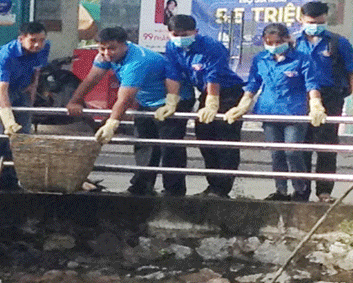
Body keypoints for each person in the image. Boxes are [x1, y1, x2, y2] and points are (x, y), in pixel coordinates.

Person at [66, 27, 191, 196]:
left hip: (173, 99)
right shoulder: (105, 56)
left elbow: (124, 98)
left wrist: (112, 122)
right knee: (144, 144)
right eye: (102, 48)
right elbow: (92, 78)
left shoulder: (137, 61)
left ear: (124, 45)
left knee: (169, 146)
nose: (106, 53)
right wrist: (75, 101)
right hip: (146, 100)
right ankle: (141, 187)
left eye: (111, 48)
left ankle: (174, 191)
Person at [226, 23, 326, 202]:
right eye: (269, 42)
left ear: (287, 39)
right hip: (269, 111)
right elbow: (253, 83)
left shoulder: (301, 59)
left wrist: (316, 104)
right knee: (276, 153)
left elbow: (311, 83)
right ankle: (281, 191)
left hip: (294, 112)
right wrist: (243, 104)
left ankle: (301, 189)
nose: (273, 45)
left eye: (278, 41)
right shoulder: (260, 59)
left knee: (292, 151)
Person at [157, 14, 246, 198]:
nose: (180, 38)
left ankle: (222, 189)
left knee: (224, 138)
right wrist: (172, 99)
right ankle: (212, 185)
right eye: (176, 34)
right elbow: (173, 73)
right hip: (205, 92)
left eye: (185, 34)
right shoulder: (172, 47)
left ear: (196, 32)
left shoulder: (212, 47)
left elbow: (214, 75)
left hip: (228, 92)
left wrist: (212, 103)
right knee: (203, 136)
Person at [295, 1, 353, 203]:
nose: (315, 25)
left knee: (326, 145)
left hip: (330, 97)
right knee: (301, 145)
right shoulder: (293, 42)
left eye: (320, 21)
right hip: (300, 97)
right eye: (310, 21)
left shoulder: (337, 42)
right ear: (301, 19)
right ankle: (301, 191)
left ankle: (324, 191)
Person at [0, 21, 50, 190]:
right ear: (21, 39)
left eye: (41, 40)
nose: (38, 44)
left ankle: (14, 178)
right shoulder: (6, 54)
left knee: (22, 135)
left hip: (22, 87)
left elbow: (37, 68)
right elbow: (1, 89)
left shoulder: (44, 47)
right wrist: (7, 117)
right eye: (33, 40)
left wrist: (33, 89)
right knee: (1, 135)